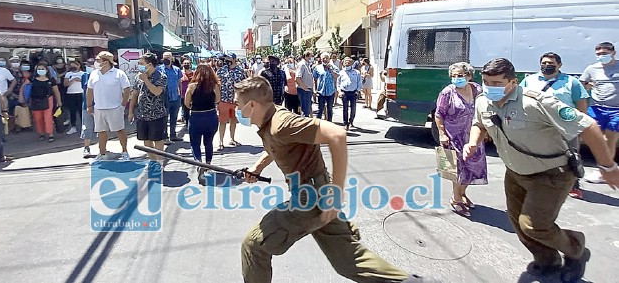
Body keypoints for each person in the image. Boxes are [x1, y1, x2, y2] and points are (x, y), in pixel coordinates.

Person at [236, 77, 426, 283]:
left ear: (252, 105)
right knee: (349, 261)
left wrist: (336, 194)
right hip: (319, 194)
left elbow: (337, 134)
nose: (237, 110)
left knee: (253, 245)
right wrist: (257, 168)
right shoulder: (271, 121)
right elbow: (278, 145)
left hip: (309, 200)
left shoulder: (282, 123)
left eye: (238, 105)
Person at [465, 58, 619, 282]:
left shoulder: (537, 102)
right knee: (519, 223)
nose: (490, 87)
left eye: (497, 83)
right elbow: (479, 124)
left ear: (513, 82)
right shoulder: (483, 101)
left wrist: (607, 166)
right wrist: (472, 142)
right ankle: (547, 261)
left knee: (534, 225)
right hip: (515, 173)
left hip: (551, 174)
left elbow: (588, 125)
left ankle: (576, 249)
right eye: (487, 82)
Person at [521, 52, 589, 199]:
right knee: (536, 155)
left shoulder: (572, 82)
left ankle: (573, 185)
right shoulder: (529, 80)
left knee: (571, 155)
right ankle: (537, 183)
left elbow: (582, 105)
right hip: (537, 126)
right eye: (544, 63)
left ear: (559, 65)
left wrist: (580, 125)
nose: (547, 66)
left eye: (551, 64)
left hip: (565, 126)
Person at [434, 62, 488, 218]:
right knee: (458, 170)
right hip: (454, 137)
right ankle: (456, 198)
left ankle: (462, 194)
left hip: (473, 136)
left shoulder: (477, 89)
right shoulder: (447, 93)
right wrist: (442, 134)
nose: (456, 78)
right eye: (453, 76)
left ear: (469, 76)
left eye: (460, 75)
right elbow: (439, 115)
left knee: (472, 168)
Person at [580, 42, 619, 184]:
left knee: (610, 139)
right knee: (596, 139)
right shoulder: (592, 69)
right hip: (597, 108)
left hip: (616, 110)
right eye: (599, 54)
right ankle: (604, 166)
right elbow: (581, 83)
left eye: (604, 53)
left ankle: (605, 171)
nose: (601, 56)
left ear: (613, 53)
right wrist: (588, 86)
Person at [87, 51, 131, 162]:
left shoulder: (119, 73)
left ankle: (125, 151)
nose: (96, 62)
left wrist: (123, 104)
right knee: (101, 132)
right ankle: (102, 153)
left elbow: (127, 89)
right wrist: (89, 105)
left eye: (98, 60)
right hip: (99, 108)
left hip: (115, 107)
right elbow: (89, 90)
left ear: (106, 62)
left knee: (120, 130)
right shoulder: (94, 73)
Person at [129, 53, 168, 171]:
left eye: (141, 64)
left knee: (158, 140)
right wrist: (131, 111)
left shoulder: (161, 76)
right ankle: (152, 161)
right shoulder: (138, 77)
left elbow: (157, 92)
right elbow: (134, 94)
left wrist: (146, 80)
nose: (139, 66)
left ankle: (160, 163)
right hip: (142, 114)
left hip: (157, 114)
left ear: (150, 65)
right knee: (146, 140)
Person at [184, 64, 221, 181]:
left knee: (195, 143)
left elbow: (186, 103)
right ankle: (208, 164)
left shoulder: (192, 86)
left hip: (196, 116)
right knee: (208, 142)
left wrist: (193, 105)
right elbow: (218, 100)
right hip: (210, 116)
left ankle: (199, 163)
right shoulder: (214, 86)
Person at [216, 53, 247, 151]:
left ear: (234, 59)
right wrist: (217, 99)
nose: (227, 60)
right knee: (222, 121)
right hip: (224, 99)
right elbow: (216, 84)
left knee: (233, 120)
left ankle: (232, 139)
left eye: (229, 58)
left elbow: (244, 84)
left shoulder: (240, 70)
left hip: (236, 100)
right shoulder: (221, 70)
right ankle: (220, 142)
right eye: (226, 58)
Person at [26, 63, 61, 142]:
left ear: (47, 70)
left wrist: (59, 101)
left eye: (43, 69)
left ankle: (50, 134)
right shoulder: (32, 78)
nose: (41, 71)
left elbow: (56, 91)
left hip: (48, 99)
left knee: (48, 117)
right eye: (39, 69)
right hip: (35, 100)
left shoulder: (51, 79)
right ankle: (41, 133)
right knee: (38, 118)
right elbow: (25, 87)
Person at [158, 51, 183, 144]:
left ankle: (173, 135)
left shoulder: (177, 69)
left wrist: (180, 94)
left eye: (168, 58)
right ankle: (164, 136)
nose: (166, 59)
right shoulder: (159, 69)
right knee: (164, 118)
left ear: (172, 59)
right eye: (164, 58)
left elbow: (180, 82)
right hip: (164, 97)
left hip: (175, 96)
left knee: (174, 117)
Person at [337, 57, 362, 130]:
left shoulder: (356, 72)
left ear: (352, 63)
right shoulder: (341, 72)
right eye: (345, 62)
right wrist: (339, 91)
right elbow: (338, 83)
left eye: (348, 62)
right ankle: (345, 123)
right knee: (345, 109)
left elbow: (359, 82)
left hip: (353, 92)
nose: (347, 63)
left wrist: (357, 91)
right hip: (344, 92)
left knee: (353, 108)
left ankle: (351, 121)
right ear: (343, 63)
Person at [313, 52, 338, 122]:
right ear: (321, 59)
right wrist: (315, 89)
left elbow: (336, 76)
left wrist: (331, 70)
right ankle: (317, 125)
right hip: (321, 91)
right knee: (320, 109)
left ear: (329, 59)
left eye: (326, 58)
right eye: (323, 58)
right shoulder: (317, 68)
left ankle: (329, 123)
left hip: (331, 91)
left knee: (330, 109)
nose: (325, 59)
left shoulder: (334, 67)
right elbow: (314, 78)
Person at [63, 60, 85, 135]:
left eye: (76, 65)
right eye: (72, 65)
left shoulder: (83, 73)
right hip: (70, 94)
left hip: (80, 93)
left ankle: (84, 126)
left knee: (81, 111)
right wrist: (72, 80)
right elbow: (65, 84)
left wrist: (80, 80)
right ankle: (73, 126)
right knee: (72, 111)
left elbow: (87, 83)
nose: (74, 66)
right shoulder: (68, 74)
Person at [80, 59, 96, 158]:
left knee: (102, 128)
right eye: (87, 65)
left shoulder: (100, 75)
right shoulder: (84, 75)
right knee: (86, 126)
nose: (88, 67)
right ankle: (86, 147)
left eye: (90, 65)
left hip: (99, 105)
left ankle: (103, 148)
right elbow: (85, 89)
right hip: (86, 105)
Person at [295, 50, 314, 117]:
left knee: (307, 110)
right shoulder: (302, 64)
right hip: (304, 90)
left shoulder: (307, 64)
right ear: (306, 56)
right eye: (311, 56)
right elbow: (297, 78)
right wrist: (305, 88)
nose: (312, 58)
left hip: (308, 90)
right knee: (305, 111)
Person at [180, 58, 195, 127]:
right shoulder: (180, 73)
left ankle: (192, 121)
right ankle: (187, 122)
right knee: (185, 109)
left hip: (193, 94)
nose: (186, 65)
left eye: (187, 64)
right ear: (182, 64)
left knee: (192, 109)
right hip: (183, 94)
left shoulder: (194, 73)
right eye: (185, 63)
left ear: (190, 65)